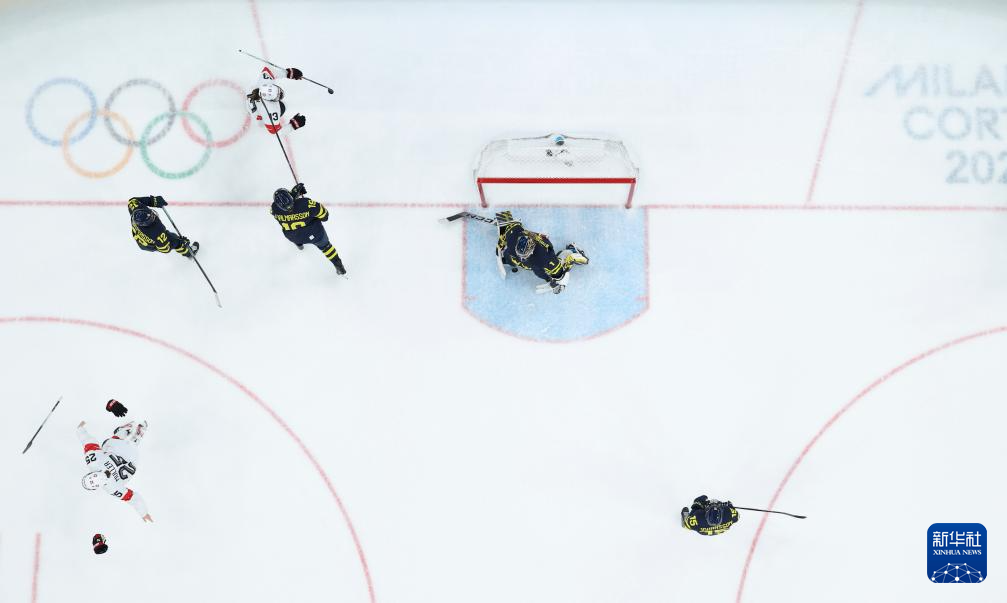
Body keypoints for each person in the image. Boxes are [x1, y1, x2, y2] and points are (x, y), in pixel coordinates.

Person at [78, 412, 152, 523]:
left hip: (133, 459)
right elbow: (88, 442)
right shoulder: (93, 462)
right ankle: (126, 430)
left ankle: (137, 435)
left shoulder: (112, 489)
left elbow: (132, 498)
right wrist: (80, 430)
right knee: (108, 444)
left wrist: (144, 513)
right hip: (118, 446)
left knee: (120, 447)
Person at [494, 210, 588, 294]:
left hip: (545, 255)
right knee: (512, 255)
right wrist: (501, 244)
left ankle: (571, 250)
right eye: (521, 254)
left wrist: (552, 280)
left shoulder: (545, 258)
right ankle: (509, 260)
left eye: (524, 255)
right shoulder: (513, 239)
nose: (522, 257)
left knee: (557, 272)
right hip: (530, 243)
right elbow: (511, 228)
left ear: (531, 249)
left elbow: (545, 271)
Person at [270, 182, 346, 275]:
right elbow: (325, 216)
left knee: (295, 234)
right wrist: (297, 198)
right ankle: (339, 267)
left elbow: (287, 209)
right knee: (326, 247)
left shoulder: (274, 209)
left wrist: (295, 194)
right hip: (314, 234)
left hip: (293, 237)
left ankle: (300, 246)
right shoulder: (306, 204)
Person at [128, 196, 197, 257]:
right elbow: (165, 249)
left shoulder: (135, 210)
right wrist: (181, 242)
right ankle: (188, 252)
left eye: (151, 215)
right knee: (175, 240)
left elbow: (132, 201)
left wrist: (153, 201)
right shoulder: (157, 231)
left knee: (170, 237)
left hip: (140, 240)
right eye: (150, 219)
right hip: (150, 245)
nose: (153, 216)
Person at [246, 65, 307, 134]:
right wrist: (292, 126)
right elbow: (276, 132)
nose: (281, 94)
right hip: (259, 115)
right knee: (284, 106)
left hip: (252, 101)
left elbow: (268, 70)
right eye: (278, 96)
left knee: (251, 88)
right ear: (271, 100)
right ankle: (262, 121)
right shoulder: (271, 109)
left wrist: (287, 73)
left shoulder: (264, 82)